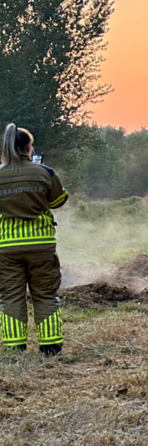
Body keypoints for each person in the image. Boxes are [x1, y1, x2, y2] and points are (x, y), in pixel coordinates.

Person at [0, 124, 68, 355]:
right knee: (45, 294)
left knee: (11, 296)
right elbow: (58, 201)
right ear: (29, 147)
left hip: (7, 246)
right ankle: (50, 347)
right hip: (41, 245)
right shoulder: (45, 172)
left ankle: (14, 347)